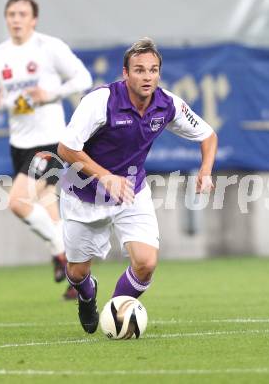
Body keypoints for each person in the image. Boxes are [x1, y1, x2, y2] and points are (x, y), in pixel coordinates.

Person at [57, 38, 218, 333]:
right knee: (78, 272)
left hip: (132, 192)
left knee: (146, 263)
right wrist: (105, 175)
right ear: (125, 73)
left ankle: (117, 313)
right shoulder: (100, 101)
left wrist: (205, 170)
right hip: (84, 196)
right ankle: (86, 291)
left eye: (153, 70)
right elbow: (66, 149)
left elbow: (208, 135)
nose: (147, 77)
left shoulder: (167, 104)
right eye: (140, 70)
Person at [0, 0, 93, 299]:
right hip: (19, 142)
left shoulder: (50, 47)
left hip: (48, 141)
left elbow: (82, 78)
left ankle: (61, 254)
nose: (16, 19)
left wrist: (50, 94)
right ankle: (78, 278)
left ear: (34, 19)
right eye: (11, 14)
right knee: (49, 210)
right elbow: (4, 98)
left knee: (18, 202)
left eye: (22, 13)